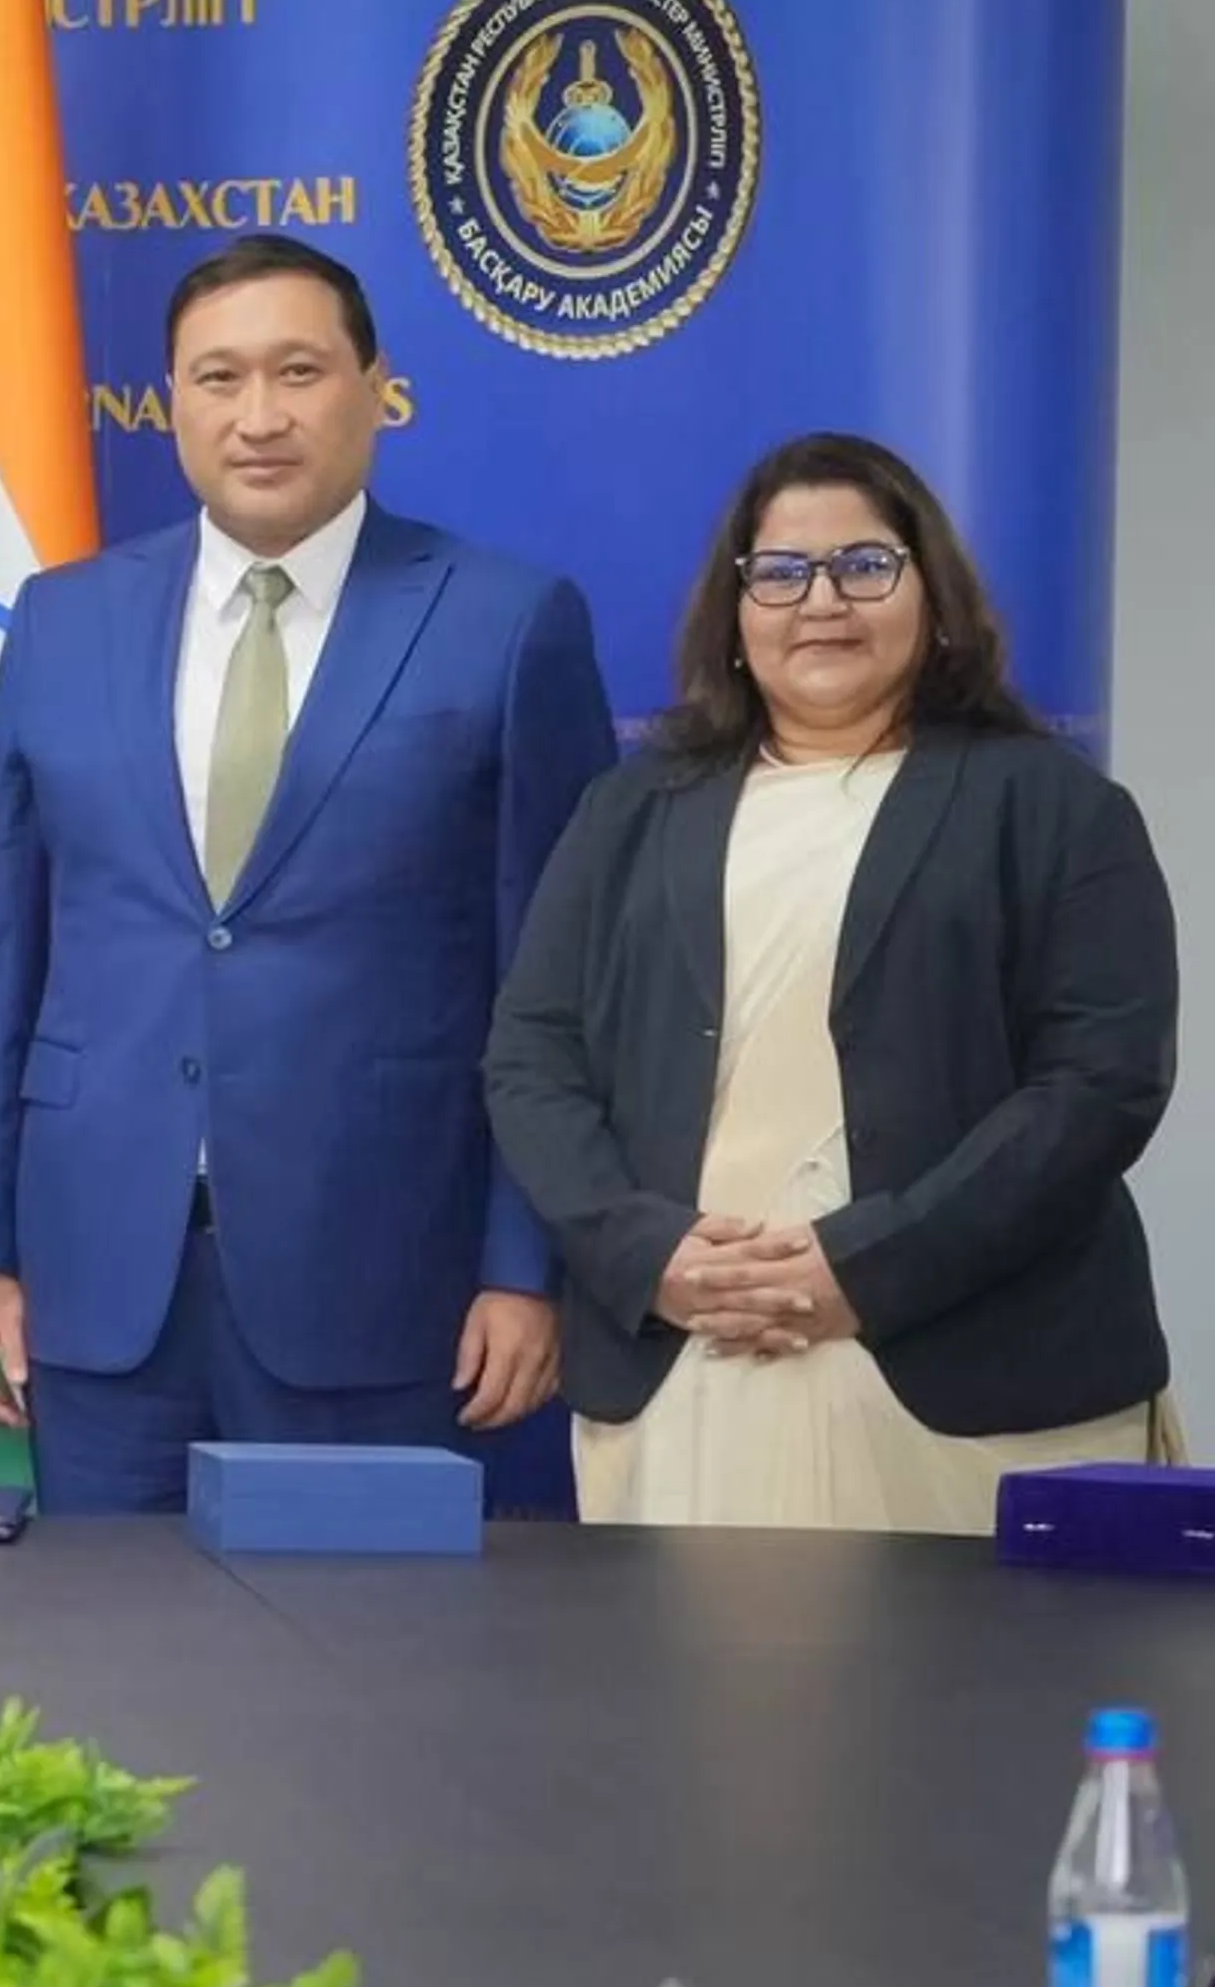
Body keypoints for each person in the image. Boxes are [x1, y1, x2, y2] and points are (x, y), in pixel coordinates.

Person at [0, 232, 614, 1514]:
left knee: (358, 1636)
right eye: (219, 377)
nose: (258, 417)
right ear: (170, 403)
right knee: (107, 1636)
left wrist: (526, 1266)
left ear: (377, 389)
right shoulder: (64, 618)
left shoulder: (506, 621)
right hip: (95, 1279)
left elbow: (558, 981)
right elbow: (2, 957)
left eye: (298, 372)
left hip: (384, 1277)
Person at [486, 433, 1178, 1530]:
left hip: (974, 1374)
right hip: (687, 1348)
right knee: (680, 1654)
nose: (821, 602)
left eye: (865, 566)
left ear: (934, 597)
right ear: (736, 613)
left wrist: (866, 1266)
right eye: (780, 573)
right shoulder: (630, 810)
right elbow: (532, 1058)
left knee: (961, 1657)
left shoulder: (1052, 805)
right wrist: (647, 1252)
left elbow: (1101, 1084)